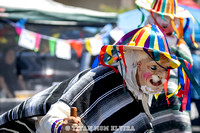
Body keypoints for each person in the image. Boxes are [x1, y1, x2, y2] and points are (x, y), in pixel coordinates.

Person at [0, 24, 196, 133]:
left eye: (164, 70)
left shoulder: (140, 90)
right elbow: (52, 117)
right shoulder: (99, 78)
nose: (160, 76)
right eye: (154, 67)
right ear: (135, 63)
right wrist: (64, 126)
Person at [135, 0, 197, 132]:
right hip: (173, 93)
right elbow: (188, 63)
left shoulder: (144, 38)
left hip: (152, 91)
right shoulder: (178, 43)